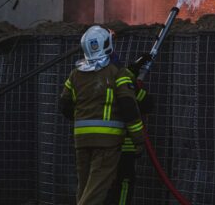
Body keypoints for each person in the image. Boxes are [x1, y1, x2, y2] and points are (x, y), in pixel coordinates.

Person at [58, 26, 146, 205]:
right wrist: (139, 139)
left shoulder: (75, 75)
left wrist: (83, 119)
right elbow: (129, 107)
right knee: (95, 193)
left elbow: (64, 105)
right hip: (107, 144)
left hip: (82, 141)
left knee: (84, 189)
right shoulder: (116, 73)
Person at [105, 54, 154, 205]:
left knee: (101, 185)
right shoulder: (125, 86)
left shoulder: (94, 82)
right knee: (124, 181)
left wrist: (132, 71)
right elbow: (146, 104)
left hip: (99, 146)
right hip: (123, 146)